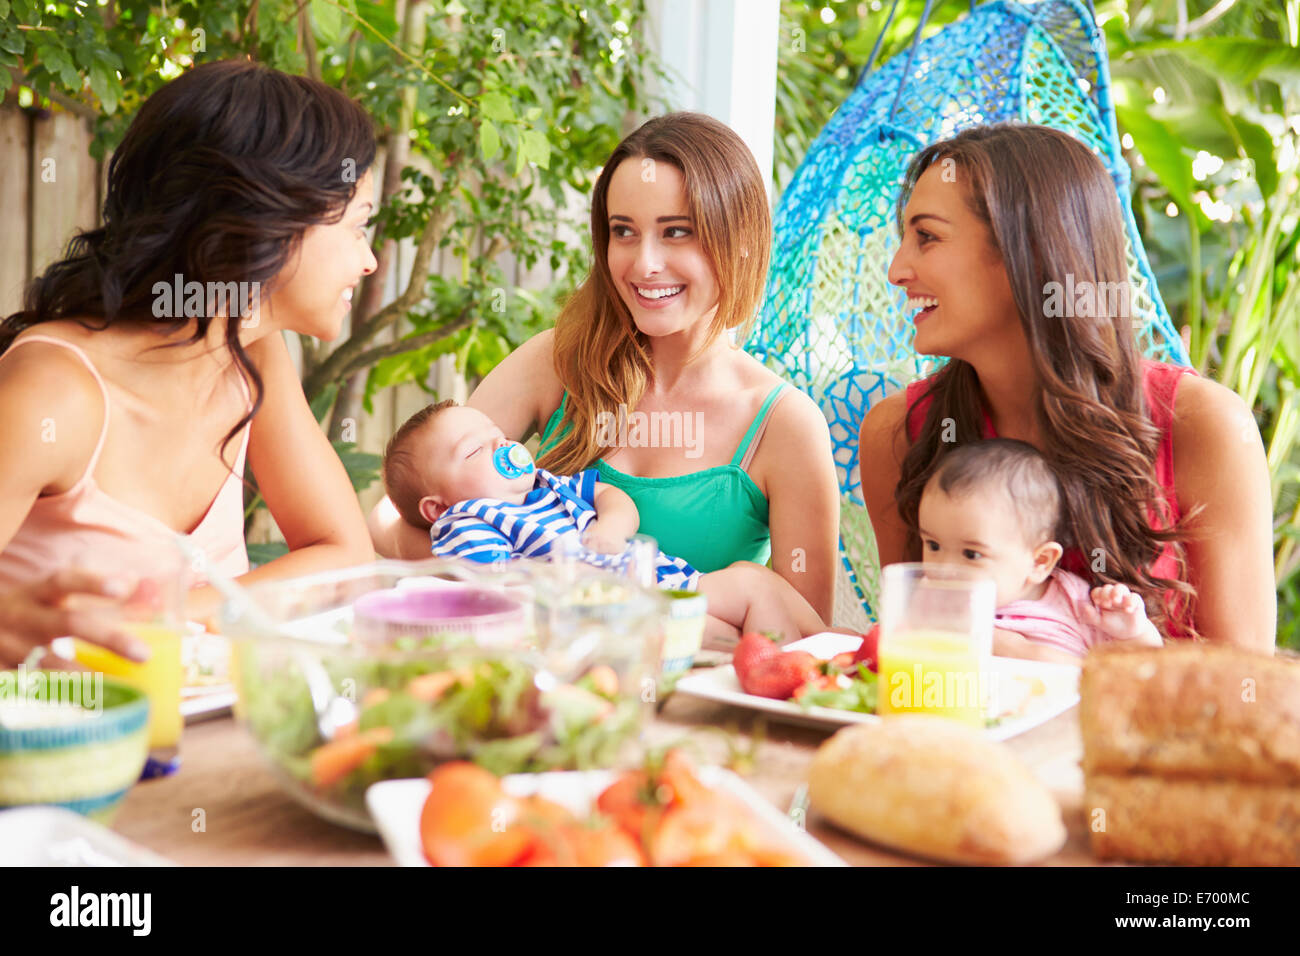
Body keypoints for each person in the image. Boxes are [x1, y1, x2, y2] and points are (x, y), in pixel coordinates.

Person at [370, 112, 840, 637]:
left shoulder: (785, 424)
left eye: (677, 232)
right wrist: (518, 589)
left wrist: (654, 623)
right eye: (624, 232)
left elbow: (804, 642)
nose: (644, 264)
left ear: (741, 239)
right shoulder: (555, 363)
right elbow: (392, 515)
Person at [0, 60, 378, 667]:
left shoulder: (250, 354)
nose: (370, 262)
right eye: (359, 227)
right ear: (268, 226)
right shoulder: (55, 391)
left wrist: (160, 621)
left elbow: (344, 558)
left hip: (199, 733)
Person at [859, 123, 1275, 650]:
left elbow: (1244, 680)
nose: (897, 270)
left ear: (1026, 252)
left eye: (927, 237)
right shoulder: (900, 432)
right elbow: (918, 651)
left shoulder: (1203, 424)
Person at [381, 400, 827, 639]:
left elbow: (613, 496)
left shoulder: (546, 484)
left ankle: (826, 645)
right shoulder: (469, 521)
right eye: (476, 451)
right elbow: (498, 592)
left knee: (752, 578)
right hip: (617, 611)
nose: (501, 448)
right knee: (743, 611)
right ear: (436, 507)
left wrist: (609, 528)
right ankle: (786, 672)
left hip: (658, 579)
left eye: (498, 437)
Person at [918, 439, 1162, 664]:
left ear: (1040, 562)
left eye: (971, 554)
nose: (944, 568)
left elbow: (1143, 669)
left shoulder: (1076, 604)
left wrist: (1132, 633)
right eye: (933, 545)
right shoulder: (930, 601)